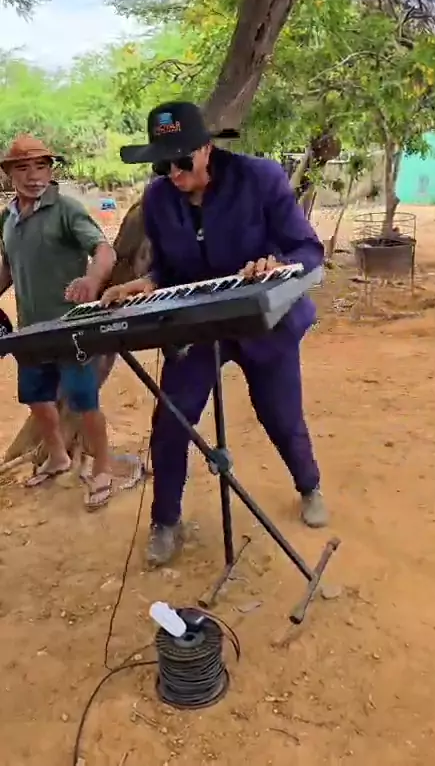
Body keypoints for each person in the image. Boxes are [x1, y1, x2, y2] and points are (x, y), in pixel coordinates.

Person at [102, 101, 328, 566]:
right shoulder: (158, 198)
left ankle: (309, 486)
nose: (173, 173)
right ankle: (166, 520)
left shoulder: (261, 179)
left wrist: (280, 265)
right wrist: (147, 283)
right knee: (172, 420)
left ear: (207, 149)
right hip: (198, 326)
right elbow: (170, 269)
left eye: (182, 161)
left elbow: (308, 250)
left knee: (281, 416)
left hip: (265, 321)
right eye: (162, 165)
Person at [0, 134, 116, 509]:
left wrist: (92, 280)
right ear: (9, 174)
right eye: (23, 168)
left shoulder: (67, 210)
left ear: (51, 171)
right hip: (31, 329)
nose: (34, 176)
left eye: (41, 166)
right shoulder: (7, 218)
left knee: (84, 401)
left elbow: (104, 249)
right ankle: (58, 456)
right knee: (36, 396)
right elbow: (8, 267)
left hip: (72, 328)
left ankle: (103, 467)